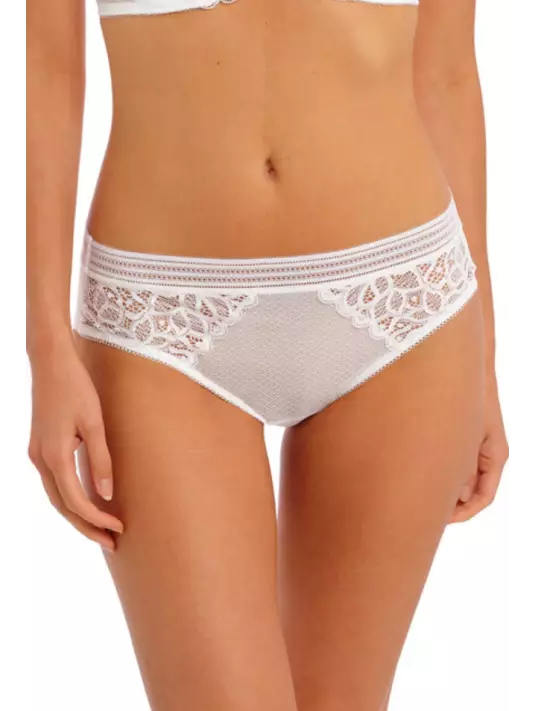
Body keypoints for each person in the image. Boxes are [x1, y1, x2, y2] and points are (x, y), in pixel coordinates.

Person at [26, 1, 509, 709]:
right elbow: (49, 68)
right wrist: (45, 342)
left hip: (403, 301)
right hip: (159, 318)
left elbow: (446, 73)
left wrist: (485, 361)